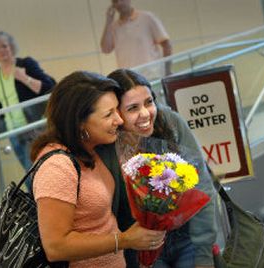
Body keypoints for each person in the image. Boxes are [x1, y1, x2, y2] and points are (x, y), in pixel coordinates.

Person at [30, 71, 166, 267]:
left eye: (117, 111)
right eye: (109, 114)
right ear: (80, 122)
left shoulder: (91, 150)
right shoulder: (57, 166)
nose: (119, 120)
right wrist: (125, 240)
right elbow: (55, 246)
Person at [99, 69, 217, 268]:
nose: (145, 113)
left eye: (149, 102)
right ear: (116, 114)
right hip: (140, 248)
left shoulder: (171, 123)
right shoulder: (106, 144)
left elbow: (202, 187)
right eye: (133, 108)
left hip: (187, 239)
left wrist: (203, 253)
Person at [0, 30, 55, 172]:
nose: (2, 50)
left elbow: (50, 87)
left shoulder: (26, 64)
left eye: (4, 46)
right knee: (29, 173)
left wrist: (26, 79)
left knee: (32, 174)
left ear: (11, 47)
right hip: (13, 133)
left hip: (33, 129)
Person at [100, 0, 172, 79]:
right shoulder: (113, 27)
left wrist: (167, 71)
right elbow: (105, 49)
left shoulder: (147, 18)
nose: (119, 3)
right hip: (130, 81)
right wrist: (108, 21)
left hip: (152, 76)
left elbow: (167, 44)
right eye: (115, 1)